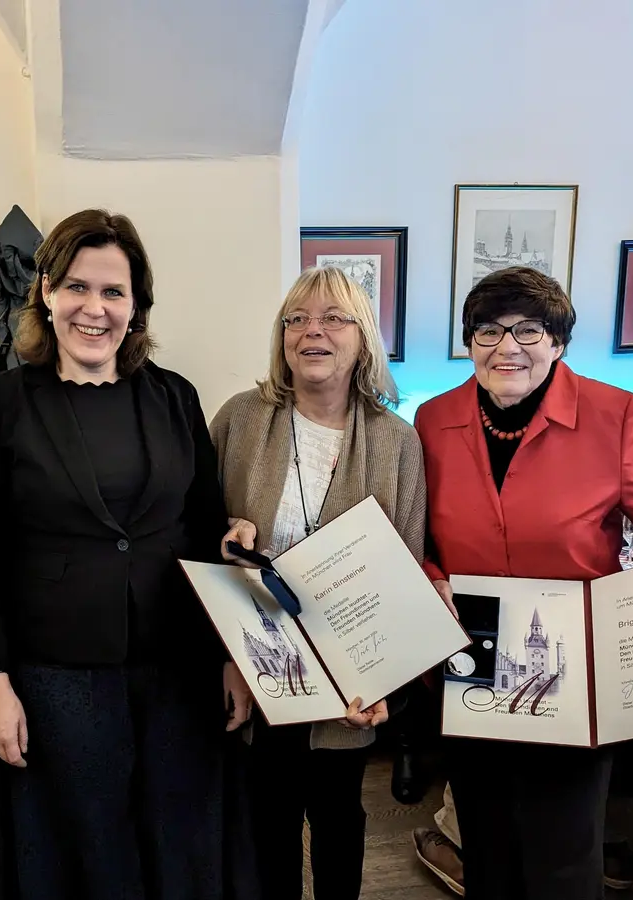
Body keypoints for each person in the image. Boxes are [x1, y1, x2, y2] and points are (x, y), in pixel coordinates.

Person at [414, 266, 633, 899]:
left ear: (559, 342)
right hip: (470, 659)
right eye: (488, 330)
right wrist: (431, 576)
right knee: (486, 847)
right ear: (469, 341)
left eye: (529, 330)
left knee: (563, 858)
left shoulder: (610, 414)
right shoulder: (433, 420)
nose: (507, 346)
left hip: (573, 670)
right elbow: (419, 534)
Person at [0, 208, 249, 900]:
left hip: (178, 676)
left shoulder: (176, 397)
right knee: (83, 859)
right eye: (77, 287)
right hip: (57, 682)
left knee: (180, 851)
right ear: (47, 293)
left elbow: (207, 530)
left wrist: (233, 657)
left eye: (114, 292)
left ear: (136, 305)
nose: (95, 308)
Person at [211, 266, 424, 900]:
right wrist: (225, 534)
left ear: (363, 338)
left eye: (334, 319)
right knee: (265, 817)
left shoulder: (396, 441)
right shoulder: (240, 419)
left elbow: (406, 567)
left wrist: (383, 680)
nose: (313, 332)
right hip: (257, 660)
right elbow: (194, 527)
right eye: (298, 319)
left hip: (347, 672)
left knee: (337, 816)